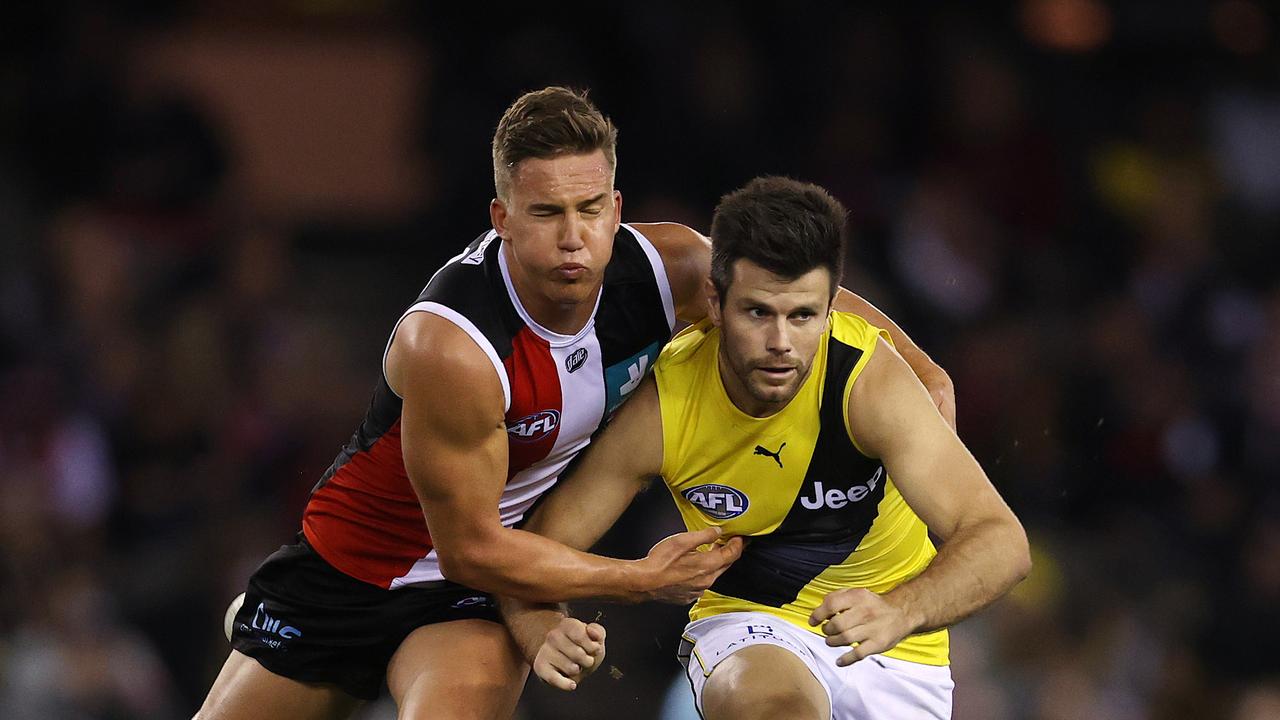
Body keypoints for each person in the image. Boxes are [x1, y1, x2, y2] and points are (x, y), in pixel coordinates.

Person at [196, 89, 954, 719]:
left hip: (481, 595)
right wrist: (639, 580)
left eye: (591, 210)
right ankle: (267, 621)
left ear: (616, 205)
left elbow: (828, 320)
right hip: (354, 571)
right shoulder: (454, 346)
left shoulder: (675, 271)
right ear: (501, 220)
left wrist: (928, 398)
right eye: (545, 214)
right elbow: (467, 544)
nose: (574, 240)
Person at [503, 176, 1030, 719]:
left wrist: (900, 611)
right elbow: (538, 550)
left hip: (893, 641)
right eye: (758, 313)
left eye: (802, 316)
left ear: (829, 311)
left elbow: (1002, 543)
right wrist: (541, 626)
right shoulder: (666, 404)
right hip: (751, 622)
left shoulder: (867, 380)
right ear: (714, 301)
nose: (781, 344)